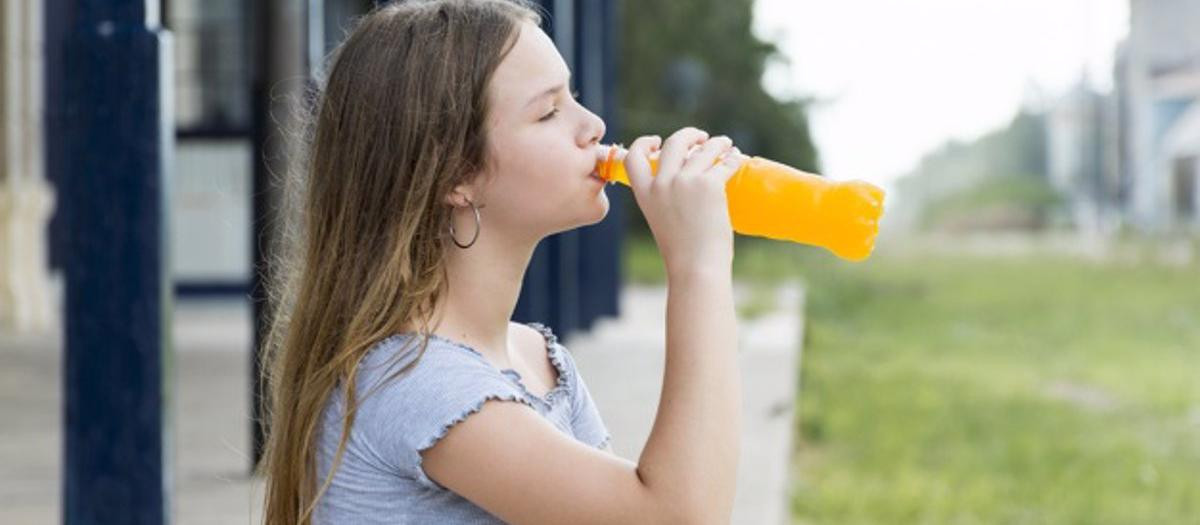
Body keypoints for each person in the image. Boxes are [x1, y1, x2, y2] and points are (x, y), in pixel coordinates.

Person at [258, 1, 746, 523]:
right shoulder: (417, 380)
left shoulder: (536, 358)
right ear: (456, 177)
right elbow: (676, 515)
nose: (594, 126)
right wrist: (699, 267)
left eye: (573, 96)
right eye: (550, 111)